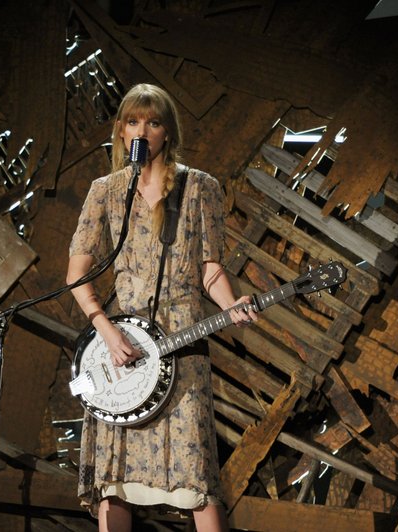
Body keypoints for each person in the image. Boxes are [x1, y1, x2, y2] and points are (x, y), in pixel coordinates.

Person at [66, 83, 258, 532]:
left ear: (166, 132)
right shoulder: (105, 190)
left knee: (196, 478)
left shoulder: (199, 187)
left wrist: (231, 304)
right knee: (114, 483)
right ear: (120, 130)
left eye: (152, 122)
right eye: (133, 121)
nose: (142, 130)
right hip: (122, 348)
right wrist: (106, 330)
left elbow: (210, 268)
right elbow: (76, 273)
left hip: (180, 344)